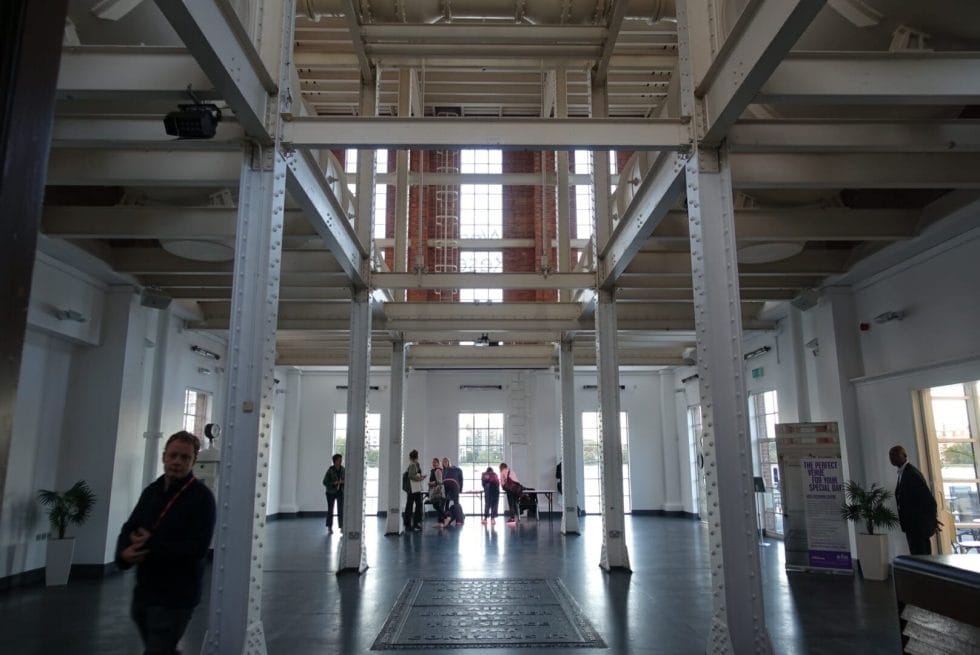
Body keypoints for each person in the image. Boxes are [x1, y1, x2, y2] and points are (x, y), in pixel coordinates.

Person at [115, 431, 216, 655]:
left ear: (193, 461)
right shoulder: (152, 491)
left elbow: (197, 548)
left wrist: (152, 544)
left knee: (158, 649)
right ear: (164, 457)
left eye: (184, 458)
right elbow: (130, 527)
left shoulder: (202, 499)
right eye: (173, 456)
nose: (177, 462)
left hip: (177, 595)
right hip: (146, 592)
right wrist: (123, 554)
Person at [889, 445, 941, 555]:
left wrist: (933, 520)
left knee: (921, 556)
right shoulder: (903, 473)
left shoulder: (912, 474)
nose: (892, 458)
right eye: (890, 455)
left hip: (918, 526)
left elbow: (928, 499)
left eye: (895, 454)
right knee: (917, 555)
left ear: (904, 455)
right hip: (912, 525)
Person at [322, 453, 345, 534]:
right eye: (339, 460)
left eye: (341, 460)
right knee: (330, 510)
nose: (341, 461)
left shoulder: (343, 469)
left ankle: (342, 527)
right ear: (335, 461)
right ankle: (329, 527)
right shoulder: (330, 470)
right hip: (330, 493)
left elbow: (346, 480)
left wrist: (343, 482)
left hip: (340, 492)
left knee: (341, 510)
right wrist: (333, 483)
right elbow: (324, 482)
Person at [404, 449, 425, 532]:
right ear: (416, 456)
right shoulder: (413, 465)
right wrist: (420, 478)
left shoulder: (414, 464)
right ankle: (415, 524)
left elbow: (412, 475)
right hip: (414, 489)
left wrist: (420, 477)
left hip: (412, 489)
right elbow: (411, 476)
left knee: (410, 505)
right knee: (418, 505)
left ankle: (408, 524)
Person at [441, 457, 464, 527]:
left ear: (448, 462)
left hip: (446, 483)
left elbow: (443, 480)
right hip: (453, 484)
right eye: (444, 462)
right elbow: (461, 480)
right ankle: (459, 521)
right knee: (456, 503)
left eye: (446, 462)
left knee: (446, 501)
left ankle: (446, 518)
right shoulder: (457, 470)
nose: (445, 463)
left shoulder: (446, 470)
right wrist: (460, 490)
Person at [428, 457, 447, 525]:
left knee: (437, 505)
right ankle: (441, 522)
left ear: (438, 463)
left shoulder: (438, 470)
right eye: (433, 462)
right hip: (436, 491)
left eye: (435, 462)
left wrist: (432, 483)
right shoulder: (434, 470)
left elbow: (439, 481)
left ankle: (446, 517)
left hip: (438, 491)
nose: (434, 463)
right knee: (437, 506)